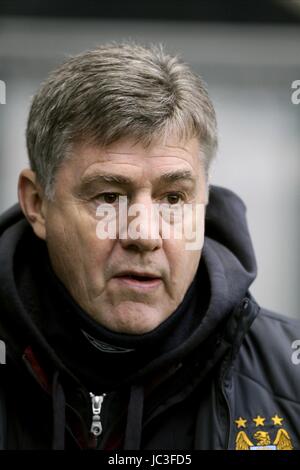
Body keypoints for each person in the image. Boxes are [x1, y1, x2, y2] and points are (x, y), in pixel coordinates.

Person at [0, 42, 299, 451]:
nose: (144, 235)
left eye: (173, 199)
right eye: (108, 197)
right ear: (37, 204)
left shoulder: (289, 380)